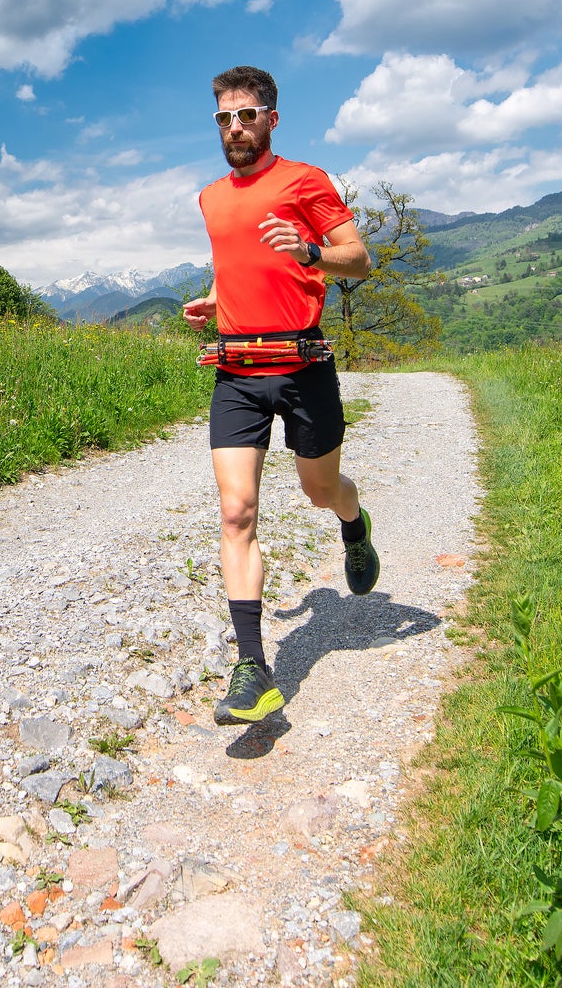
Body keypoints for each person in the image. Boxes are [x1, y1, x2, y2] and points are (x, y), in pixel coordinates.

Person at [181, 65, 377, 726]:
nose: (233, 127)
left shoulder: (304, 181)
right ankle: (253, 670)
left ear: (269, 117)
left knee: (320, 491)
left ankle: (353, 523)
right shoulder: (210, 197)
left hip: (301, 363)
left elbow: (357, 257)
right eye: (222, 117)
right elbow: (231, 258)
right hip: (235, 369)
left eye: (245, 114)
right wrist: (215, 298)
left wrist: (310, 250)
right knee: (235, 512)